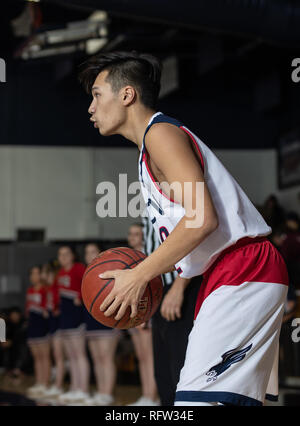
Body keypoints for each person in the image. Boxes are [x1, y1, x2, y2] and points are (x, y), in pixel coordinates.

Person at [79, 51, 289, 406]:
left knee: (193, 404)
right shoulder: (149, 149)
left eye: (97, 94)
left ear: (127, 94)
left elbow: (202, 219)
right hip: (227, 274)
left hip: (243, 269)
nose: (90, 107)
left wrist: (138, 275)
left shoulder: (161, 134)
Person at [143, 216, 201, 405]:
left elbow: (195, 234)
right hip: (157, 291)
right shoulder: (147, 195)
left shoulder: (177, 188)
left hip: (182, 285)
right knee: (163, 373)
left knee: (181, 369)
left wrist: (179, 286)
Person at [83, 243, 120, 406]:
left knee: (106, 358)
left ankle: (107, 393)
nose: (89, 255)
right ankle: (100, 391)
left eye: (93, 251)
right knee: (97, 359)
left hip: (109, 320)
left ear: (100, 253)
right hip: (91, 321)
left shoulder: (110, 270)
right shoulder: (86, 275)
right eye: (87, 252)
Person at [126, 224, 159, 406]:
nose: (132, 237)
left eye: (136, 234)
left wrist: (145, 316)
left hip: (147, 312)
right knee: (141, 356)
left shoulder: (148, 257)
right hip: (133, 314)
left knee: (149, 356)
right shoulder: (127, 258)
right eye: (130, 234)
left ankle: (152, 397)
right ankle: (146, 395)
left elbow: (151, 290)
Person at [55, 246, 90, 405]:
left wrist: (81, 297)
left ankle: (84, 390)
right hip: (65, 319)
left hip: (77, 318)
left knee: (80, 355)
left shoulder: (78, 269)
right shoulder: (60, 273)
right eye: (60, 254)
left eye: (66, 254)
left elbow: (90, 285)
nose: (63, 257)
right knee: (71, 357)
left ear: (73, 255)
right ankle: (75, 388)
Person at [25, 266, 51, 398]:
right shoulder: (29, 290)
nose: (34, 276)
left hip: (43, 326)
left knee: (44, 356)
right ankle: (39, 382)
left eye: (37, 273)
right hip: (33, 326)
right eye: (32, 274)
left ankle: (45, 383)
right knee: (36, 357)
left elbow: (49, 308)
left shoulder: (46, 290)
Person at [41, 262, 65, 399]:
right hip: (52, 324)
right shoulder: (48, 287)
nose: (42, 275)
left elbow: (59, 304)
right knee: (56, 357)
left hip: (59, 325)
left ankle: (58, 386)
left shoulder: (56, 284)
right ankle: (55, 384)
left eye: (44, 271)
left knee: (59, 357)